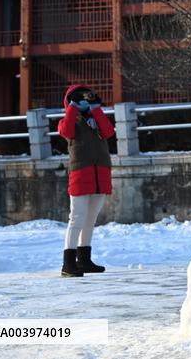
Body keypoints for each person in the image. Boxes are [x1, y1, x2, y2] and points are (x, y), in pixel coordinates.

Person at [58, 84, 115, 277]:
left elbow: (108, 132)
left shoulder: (96, 118)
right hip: (81, 174)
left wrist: (96, 109)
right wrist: (72, 106)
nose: (84, 101)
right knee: (76, 218)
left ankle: (84, 260)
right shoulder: (68, 120)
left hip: (100, 174)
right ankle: (68, 264)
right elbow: (66, 131)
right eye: (79, 98)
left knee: (90, 219)